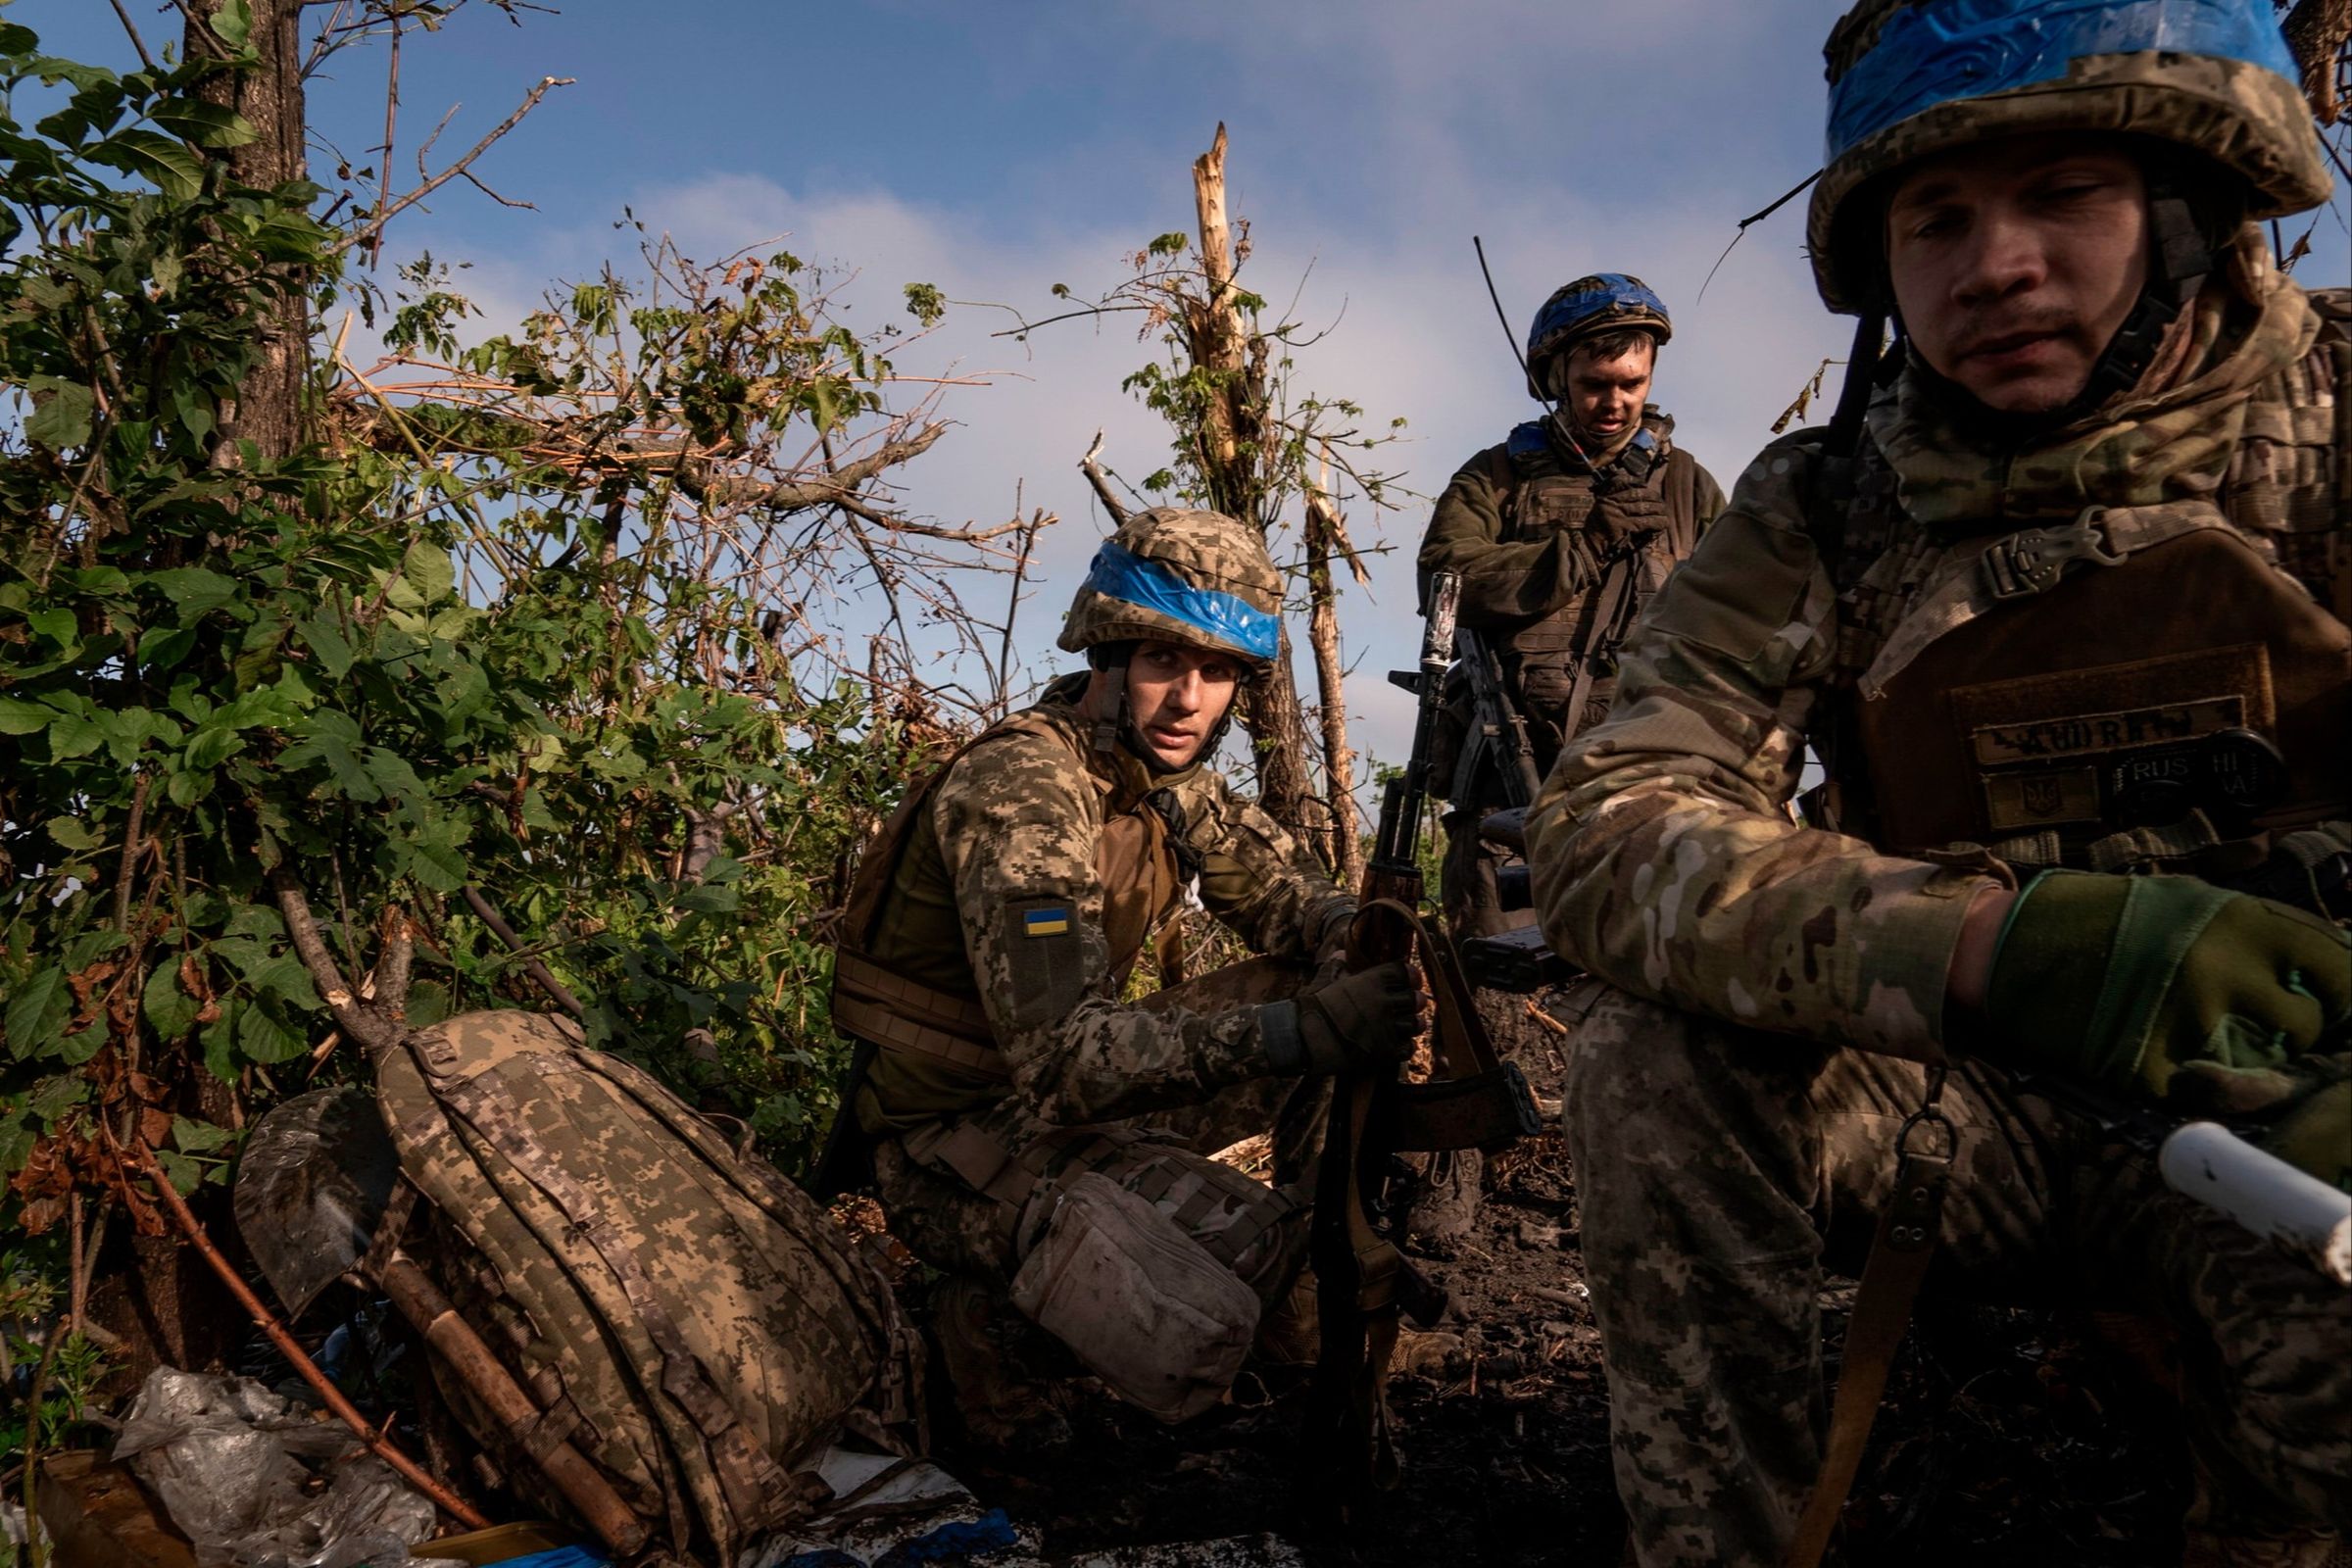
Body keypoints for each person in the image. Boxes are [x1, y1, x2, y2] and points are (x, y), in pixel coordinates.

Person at [1525, 2, 2352, 1563]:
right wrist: (1987, 948)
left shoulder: (2336, 417)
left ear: (2187, 204)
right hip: (1975, 1109)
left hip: (2300, 1119)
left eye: (2065, 194)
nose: (1995, 267)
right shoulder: (1830, 503)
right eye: (1938, 220)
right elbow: (1606, 825)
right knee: (1651, 1051)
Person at [824, 506, 1420, 1450]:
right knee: (1236, 1272)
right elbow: (1066, 1064)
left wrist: (1354, 933)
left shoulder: (1161, 779)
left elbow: (1284, 892)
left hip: (1065, 1099)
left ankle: (1305, 1287)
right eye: (1161, 662)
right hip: (951, 1138)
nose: (1189, 699)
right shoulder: (1023, 790)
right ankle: (984, 1328)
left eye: (1217, 672)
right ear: (1107, 656)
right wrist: (1307, 1031)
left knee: (1322, 990)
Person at [1411, 274, 1724, 1245]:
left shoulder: (1689, 487)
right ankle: (1458, 1179)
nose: (1616, 401)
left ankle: (1646, 1184)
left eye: (1633, 382)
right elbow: (1444, 582)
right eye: (1595, 383)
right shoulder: (1495, 478)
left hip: (1653, 789)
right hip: (1511, 778)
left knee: (1660, 992)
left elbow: (1748, 618)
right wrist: (1576, 547)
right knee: (1483, 991)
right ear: (1555, 378)